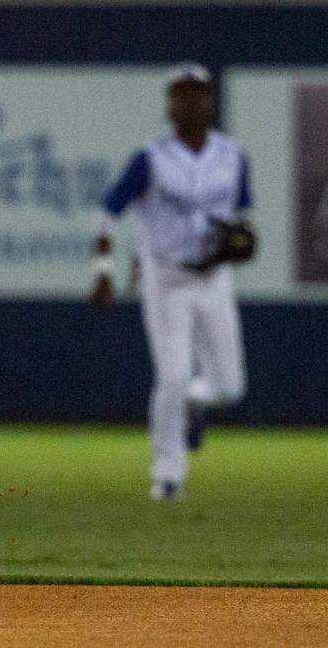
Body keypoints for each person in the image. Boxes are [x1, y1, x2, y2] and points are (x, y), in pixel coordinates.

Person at [91, 64, 254, 501]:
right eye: (181, 94)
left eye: (198, 93)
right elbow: (107, 213)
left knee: (230, 386)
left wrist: (241, 240)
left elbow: (242, 220)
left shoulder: (233, 158)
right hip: (165, 279)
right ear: (169, 105)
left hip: (214, 279)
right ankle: (168, 474)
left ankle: (194, 404)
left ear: (211, 102)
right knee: (174, 374)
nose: (190, 102)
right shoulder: (151, 159)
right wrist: (103, 271)